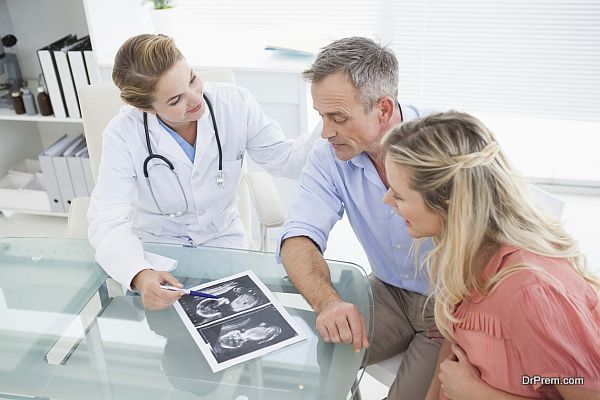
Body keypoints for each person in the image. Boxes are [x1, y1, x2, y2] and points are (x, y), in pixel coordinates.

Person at [88, 34, 317, 311]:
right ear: (146, 108)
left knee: (244, 327)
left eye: (193, 79)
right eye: (175, 100)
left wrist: (331, 122)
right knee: (177, 339)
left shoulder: (234, 104)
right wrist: (138, 274)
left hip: (224, 244)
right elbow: (107, 219)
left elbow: (284, 159)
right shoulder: (123, 133)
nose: (196, 98)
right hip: (160, 255)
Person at [382, 111, 600, 400]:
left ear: (449, 202)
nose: (387, 200)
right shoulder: (468, 256)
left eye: (398, 195)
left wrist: (476, 393)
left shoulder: (531, 293)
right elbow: (451, 352)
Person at [277, 36, 441, 399]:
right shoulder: (328, 156)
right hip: (387, 291)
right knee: (312, 365)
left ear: (383, 109)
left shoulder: (444, 145)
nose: (326, 130)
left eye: (338, 117)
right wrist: (328, 302)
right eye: (321, 116)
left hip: (450, 307)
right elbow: (298, 237)